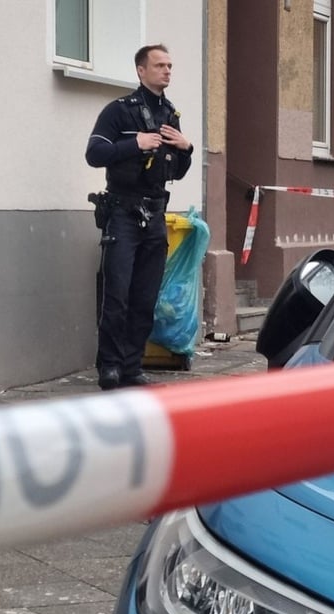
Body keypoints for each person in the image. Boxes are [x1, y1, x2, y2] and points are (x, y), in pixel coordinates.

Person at [85, 44, 194, 390]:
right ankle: (110, 367)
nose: (167, 71)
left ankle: (132, 367)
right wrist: (136, 144)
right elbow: (95, 153)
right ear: (140, 71)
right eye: (160, 65)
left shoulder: (170, 114)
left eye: (170, 66)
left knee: (146, 297)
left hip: (156, 213)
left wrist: (186, 149)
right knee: (117, 294)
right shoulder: (119, 111)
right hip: (123, 212)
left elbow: (175, 171)